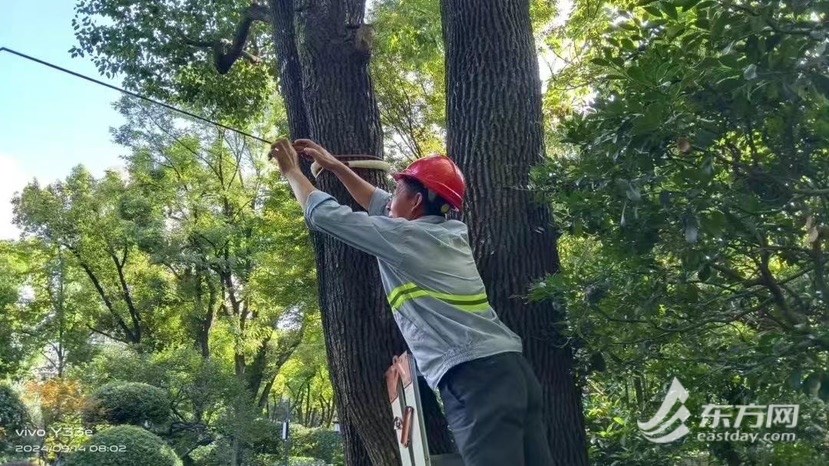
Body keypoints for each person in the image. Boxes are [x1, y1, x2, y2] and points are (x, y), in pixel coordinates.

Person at [269, 138, 554, 465]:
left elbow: (325, 216)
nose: (390, 200)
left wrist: (291, 171)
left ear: (417, 201)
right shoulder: (449, 233)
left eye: (399, 191)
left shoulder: (404, 238)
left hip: (476, 380)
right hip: (512, 371)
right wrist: (335, 166)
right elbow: (378, 202)